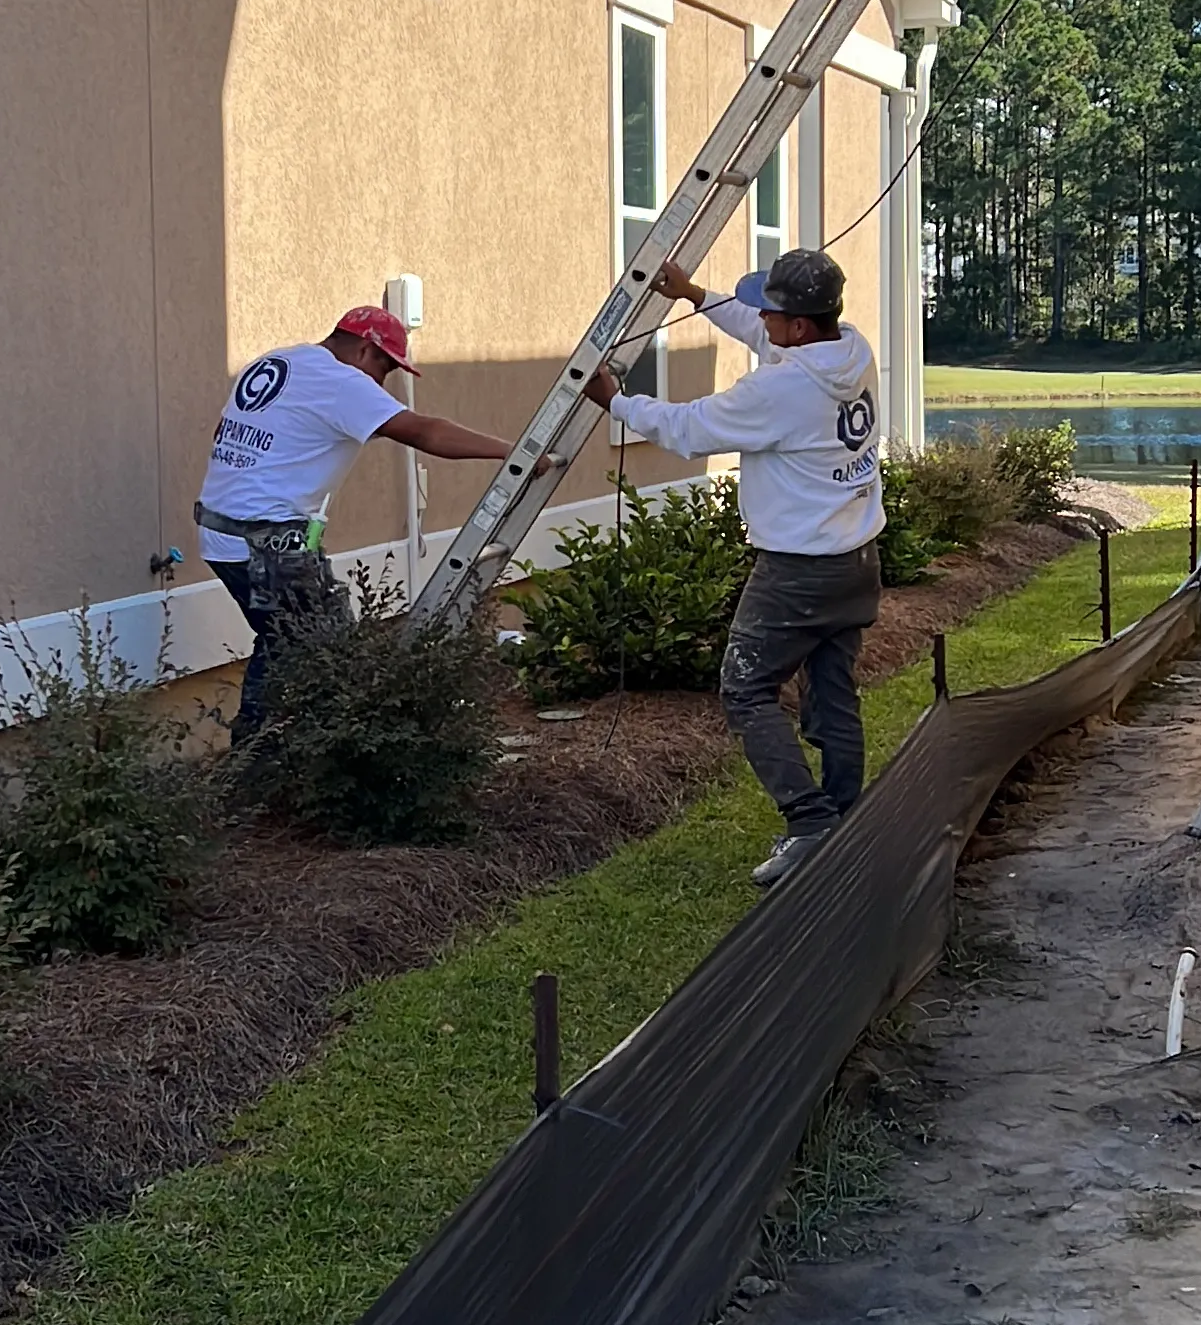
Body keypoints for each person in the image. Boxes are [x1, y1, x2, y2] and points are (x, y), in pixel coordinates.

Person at [582, 246, 883, 886]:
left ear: (799, 327)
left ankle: (809, 824)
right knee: (832, 693)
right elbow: (762, 335)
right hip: (856, 560)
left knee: (745, 689)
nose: (763, 321)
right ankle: (847, 818)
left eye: (772, 313)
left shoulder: (782, 388)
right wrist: (694, 296)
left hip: (798, 571)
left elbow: (692, 428)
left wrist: (617, 402)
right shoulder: (850, 349)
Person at [196, 306, 529, 739]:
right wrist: (513, 451)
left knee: (284, 639)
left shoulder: (276, 362)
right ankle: (264, 761)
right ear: (365, 349)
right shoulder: (342, 383)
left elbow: (225, 429)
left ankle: (268, 757)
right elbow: (425, 432)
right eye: (385, 367)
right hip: (265, 543)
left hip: (221, 534)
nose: (382, 383)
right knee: (326, 650)